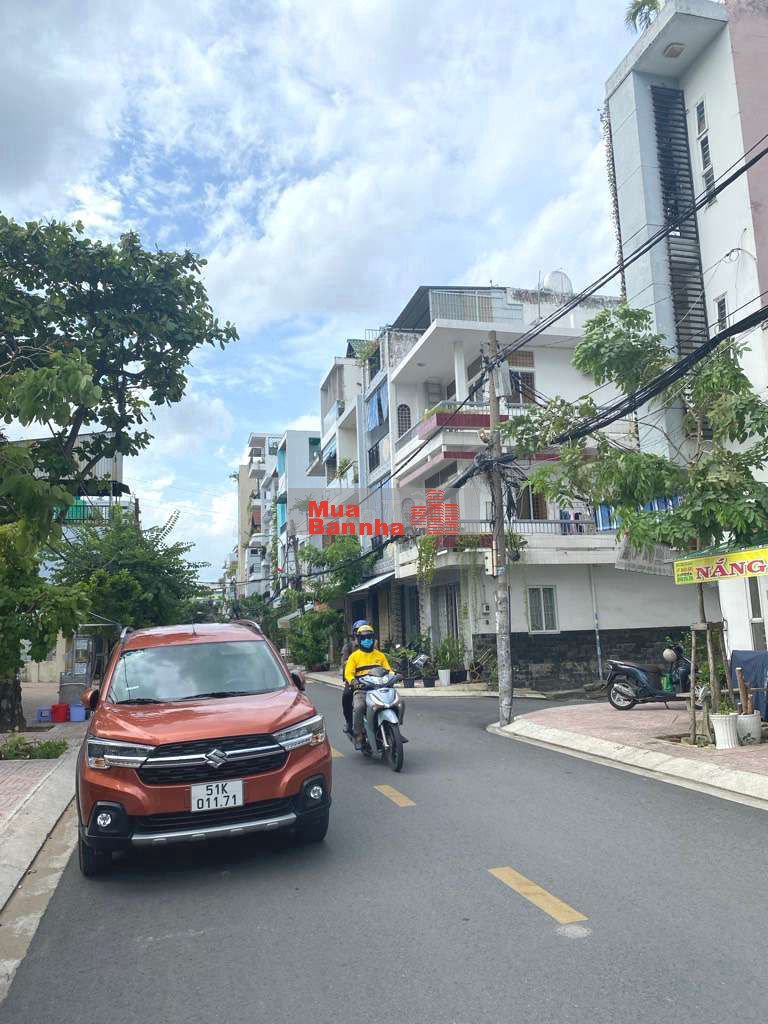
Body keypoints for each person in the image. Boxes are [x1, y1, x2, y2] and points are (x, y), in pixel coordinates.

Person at [343, 624, 392, 749]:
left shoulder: (380, 655)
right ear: (359, 640)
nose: (367, 640)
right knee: (359, 707)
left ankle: (394, 727)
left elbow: (388, 670)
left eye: (369, 638)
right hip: (362, 690)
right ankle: (358, 735)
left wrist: (395, 676)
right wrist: (353, 682)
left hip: (380, 688)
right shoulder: (354, 657)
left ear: (373, 639)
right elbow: (348, 673)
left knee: (397, 702)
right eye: (363, 638)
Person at [340, 620, 368, 734]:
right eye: (359, 631)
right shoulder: (348, 647)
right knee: (347, 695)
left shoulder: (371, 645)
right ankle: (349, 722)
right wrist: (355, 663)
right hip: (353, 678)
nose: (362, 633)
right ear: (355, 633)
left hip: (370, 678)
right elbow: (344, 662)